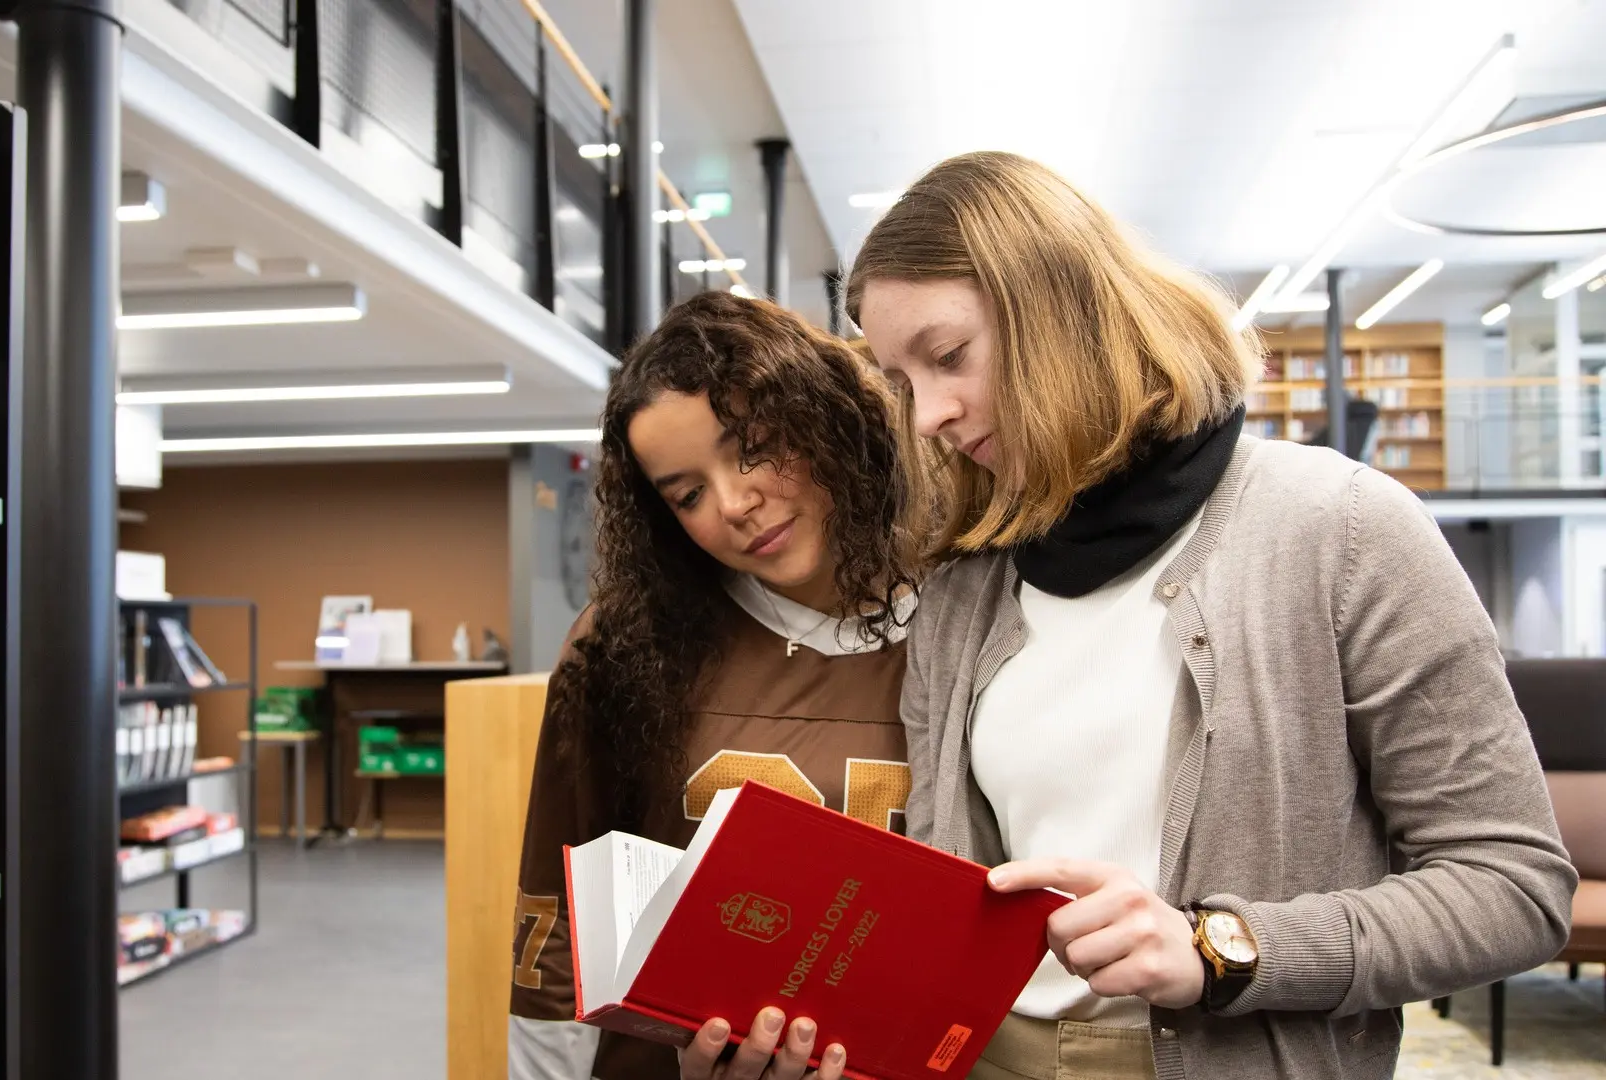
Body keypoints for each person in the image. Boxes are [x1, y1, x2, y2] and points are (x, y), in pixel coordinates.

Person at [685, 150, 1579, 1080]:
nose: (928, 417)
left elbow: (1512, 888)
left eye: (949, 357)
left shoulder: (1342, 531)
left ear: (1066, 309)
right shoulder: (963, 588)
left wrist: (1220, 949)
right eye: (902, 379)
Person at [507, 291, 935, 1080]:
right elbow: (556, 913)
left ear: (825, 418)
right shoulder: (625, 647)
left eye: (753, 448)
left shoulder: (969, 617)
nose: (736, 504)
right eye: (688, 494)